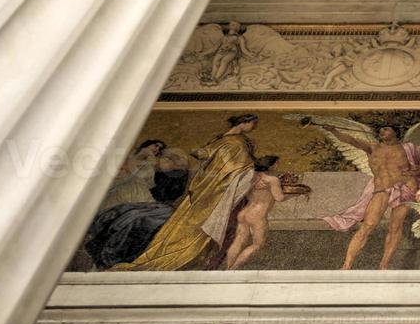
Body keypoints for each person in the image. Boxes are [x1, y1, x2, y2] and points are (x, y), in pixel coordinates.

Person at [113, 114, 261, 271]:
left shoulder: (223, 140)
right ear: (244, 123)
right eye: (253, 123)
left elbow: (201, 153)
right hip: (218, 187)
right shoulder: (236, 142)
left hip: (211, 185)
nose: (253, 127)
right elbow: (235, 165)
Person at [322, 123, 420, 270]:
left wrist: (419, 169)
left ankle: (383, 266)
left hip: (405, 188)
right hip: (381, 189)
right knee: (368, 225)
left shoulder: (408, 148)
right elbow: (351, 141)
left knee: (395, 227)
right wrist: (334, 130)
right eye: (380, 130)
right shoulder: (373, 147)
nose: (381, 132)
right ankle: (346, 266)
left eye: (386, 129)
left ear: (395, 132)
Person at [224, 156, 309, 271]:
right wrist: (296, 193)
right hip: (257, 216)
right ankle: (233, 270)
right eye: (276, 164)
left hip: (245, 213)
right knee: (257, 245)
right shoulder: (271, 180)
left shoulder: (250, 177)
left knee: (238, 241)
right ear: (271, 165)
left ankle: (227, 269)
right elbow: (279, 198)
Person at [100, 139, 165, 210]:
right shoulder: (129, 153)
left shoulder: (150, 163)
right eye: (156, 145)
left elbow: (149, 181)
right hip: (117, 183)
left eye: (159, 149)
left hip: (137, 188)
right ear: (148, 144)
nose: (157, 149)